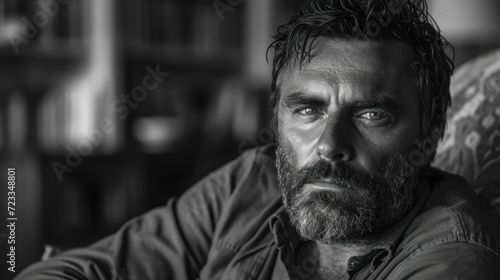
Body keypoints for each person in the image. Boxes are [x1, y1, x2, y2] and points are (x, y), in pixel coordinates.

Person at [15, 0, 500, 279]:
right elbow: (70, 271)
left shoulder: (454, 259)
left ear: (431, 132)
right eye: (307, 110)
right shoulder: (250, 183)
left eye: (372, 114)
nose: (330, 144)